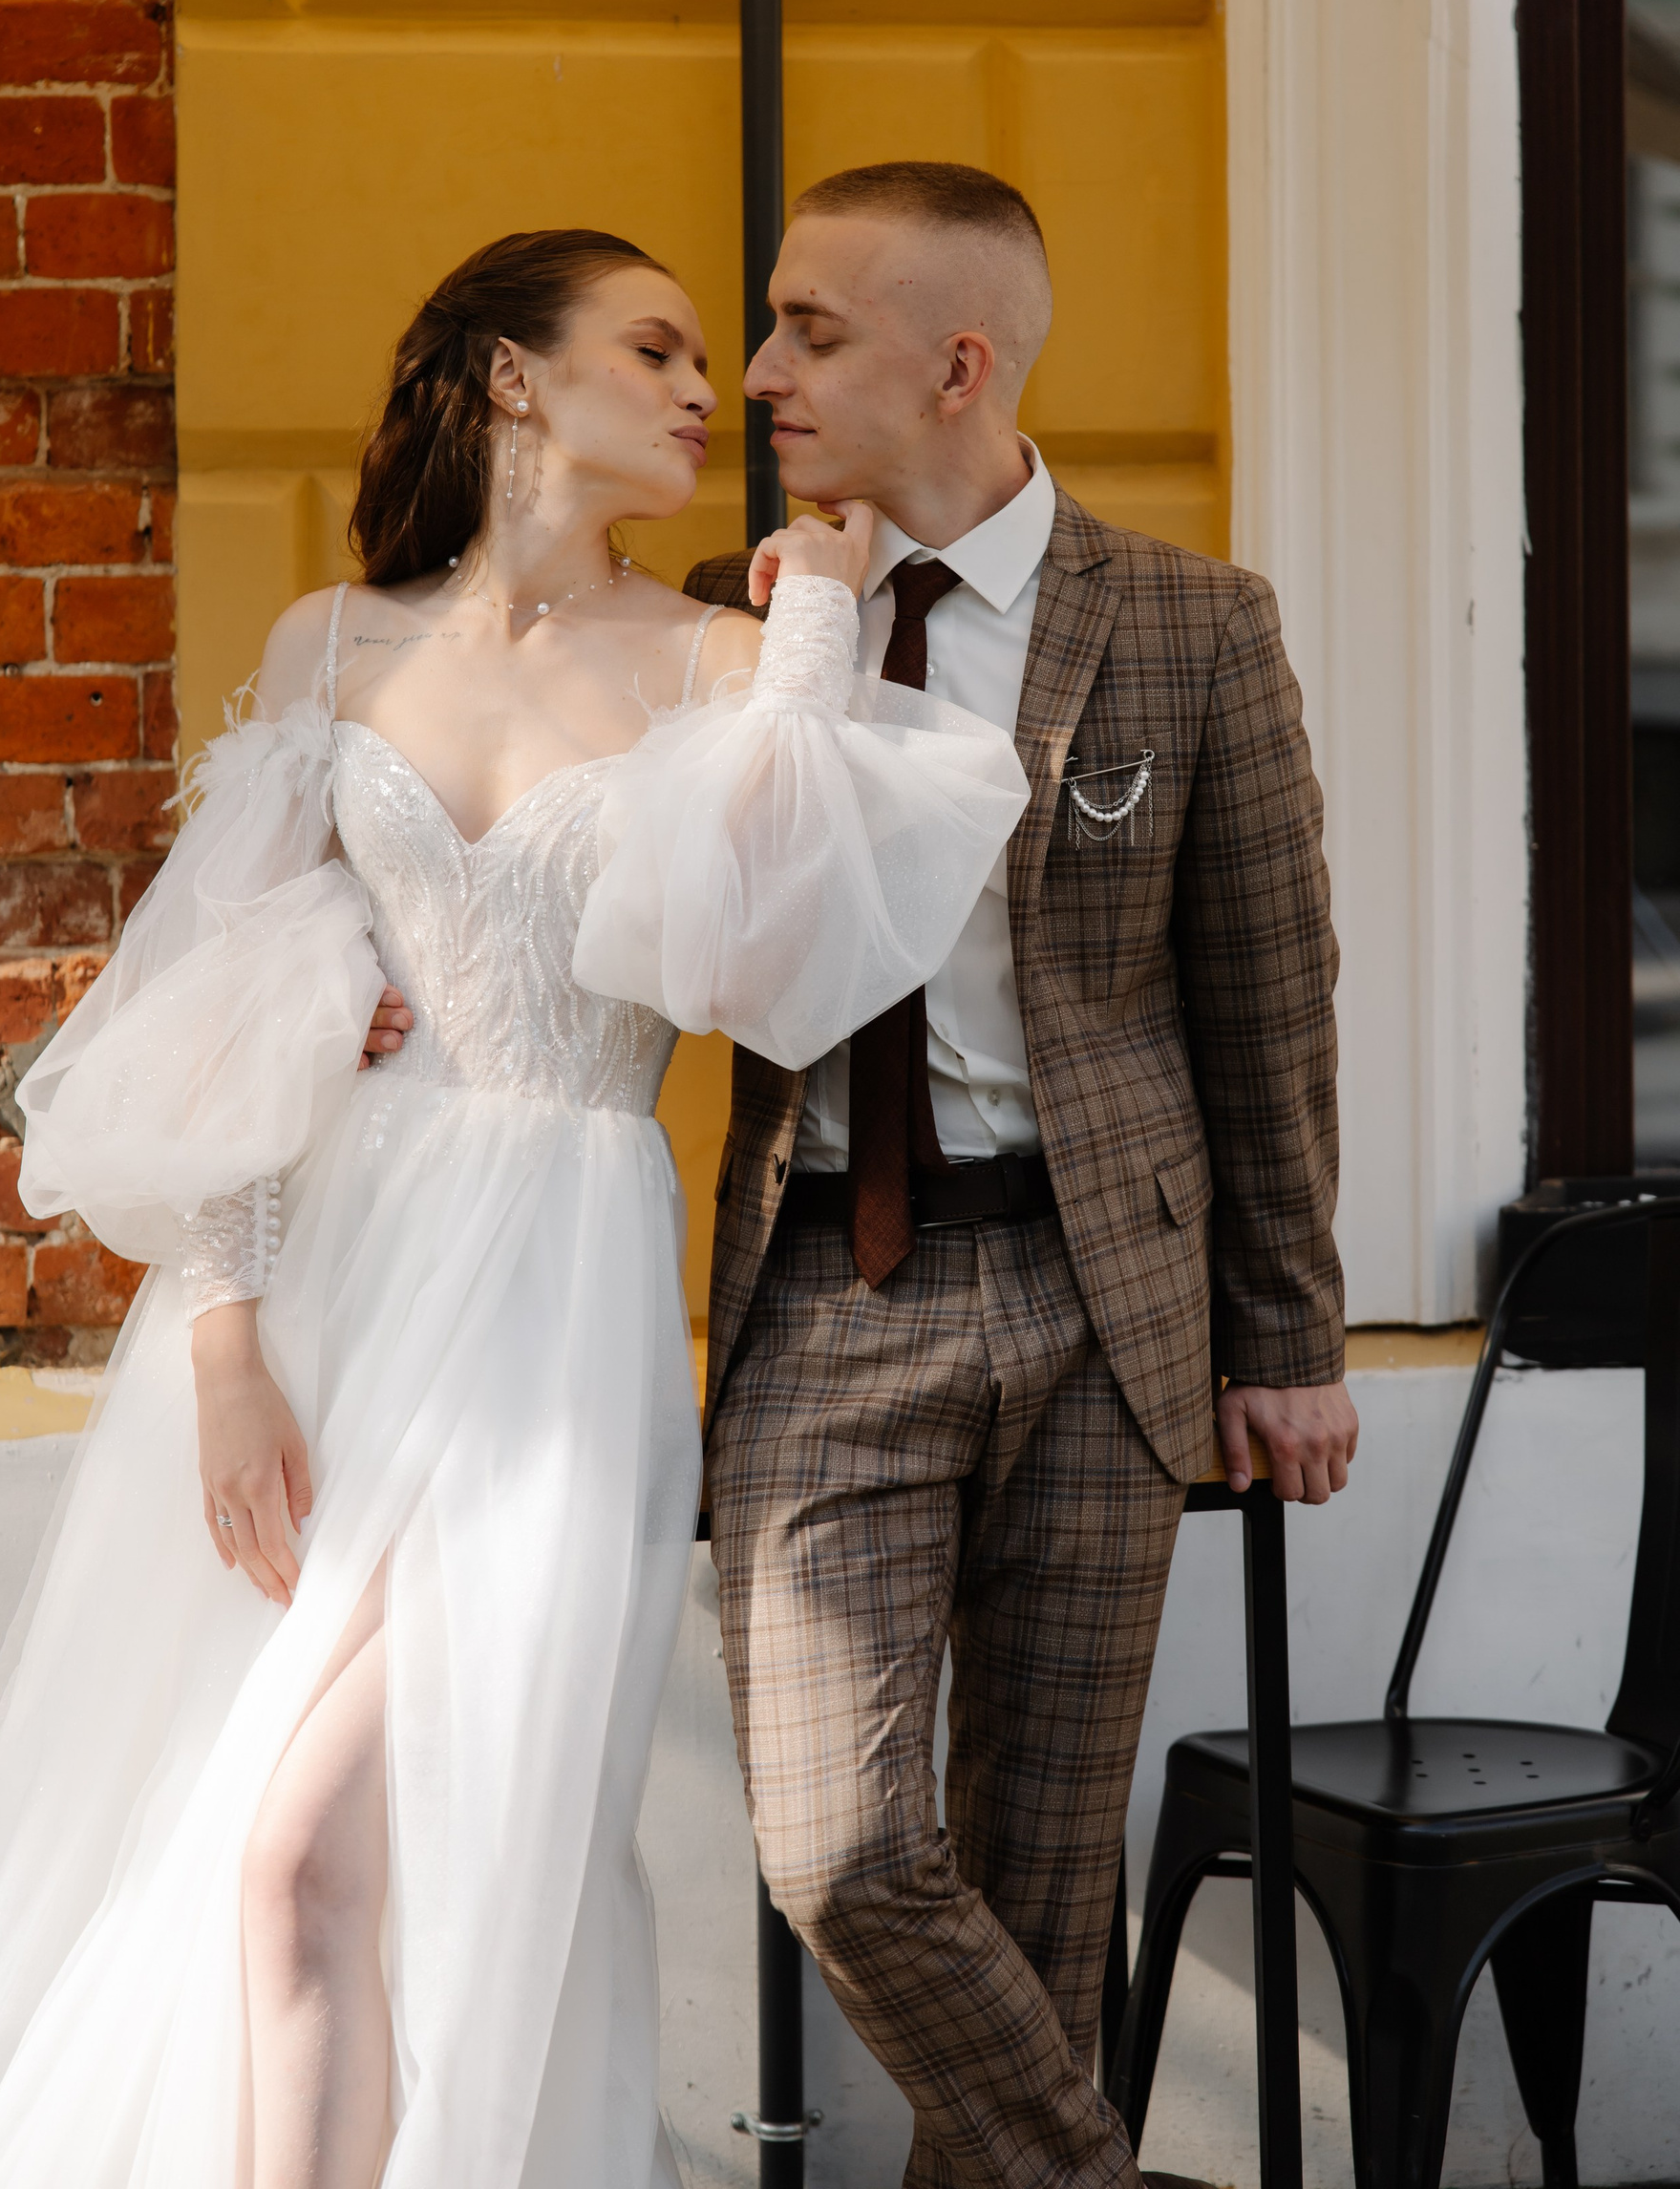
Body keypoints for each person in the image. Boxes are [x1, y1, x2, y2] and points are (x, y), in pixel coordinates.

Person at [0, 228, 1029, 2189]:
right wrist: (226, 1355)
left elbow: (771, 958)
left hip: (548, 1309)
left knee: (321, 1850)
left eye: (708, 357)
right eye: (653, 348)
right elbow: (225, 1027)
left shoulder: (722, 659)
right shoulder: (333, 645)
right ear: (508, 377)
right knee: (246, 1866)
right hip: (323, 1291)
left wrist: (820, 624)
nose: (706, 390)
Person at [372, 162, 1357, 2189]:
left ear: (959, 366)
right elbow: (547, 867)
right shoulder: (725, 625)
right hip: (827, 1280)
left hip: (1105, 1299)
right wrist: (364, 987)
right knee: (839, 1851)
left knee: (1040, 1882)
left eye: (812, 331)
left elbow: (1269, 1001)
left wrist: (1291, 1335)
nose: (760, 373)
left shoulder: (1190, 626)